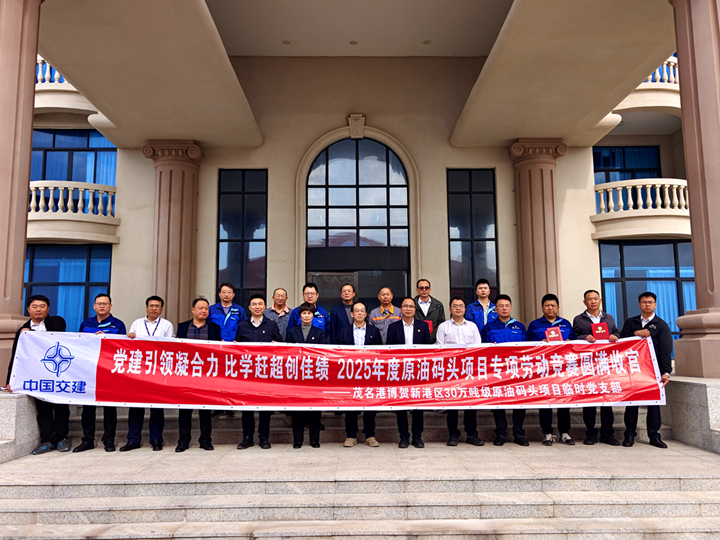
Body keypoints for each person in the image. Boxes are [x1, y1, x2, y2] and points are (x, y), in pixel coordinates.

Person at [7, 295, 68, 455]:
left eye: (42, 306)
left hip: (57, 374)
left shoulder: (57, 322)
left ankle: (62, 438)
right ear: (28, 309)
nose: (38, 309)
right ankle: (47, 440)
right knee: (43, 409)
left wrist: (31, 334)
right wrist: (10, 380)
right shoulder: (22, 330)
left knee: (61, 407)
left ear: (48, 308)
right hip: (37, 377)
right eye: (34, 306)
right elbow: (16, 356)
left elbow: (55, 337)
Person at [74, 293, 126, 453]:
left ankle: (109, 440)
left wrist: (107, 339)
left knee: (109, 408)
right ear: (94, 306)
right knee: (88, 408)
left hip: (109, 372)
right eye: (99, 303)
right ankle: (87, 440)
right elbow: (79, 344)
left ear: (110, 306)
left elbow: (123, 347)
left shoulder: (118, 324)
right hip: (89, 371)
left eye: (105, 303)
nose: (102, 306)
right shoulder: (85, 323)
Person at [620, 292, 672, 449]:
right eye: (644, 302)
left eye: (650, 302)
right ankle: (629, 435)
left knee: (653, 404)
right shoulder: (631, 322)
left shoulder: (661, 325)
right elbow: (622, 342)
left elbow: (665, 350)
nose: (647, 304)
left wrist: (666, 372)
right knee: (631, 403)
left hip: (653, 371)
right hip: (633, 370)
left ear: (655, 304)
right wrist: (636, 333)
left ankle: (654, 436)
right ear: (639, 304)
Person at [123, 295, 175, 452]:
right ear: (146, 308)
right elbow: (130, 345)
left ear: (161, 309)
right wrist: (130, 337)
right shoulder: (137, 323)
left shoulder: (166, 325)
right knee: (136, 406)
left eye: (157, 306)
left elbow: (170, 347)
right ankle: (133, 439)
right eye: (151, 305)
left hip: (158, 370)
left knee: (157, 407)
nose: (154, 308)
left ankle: (156, 439)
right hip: (138, 370)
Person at [572, 289, 621, 446]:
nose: (593, 301)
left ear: (600, 300)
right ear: (584, 302)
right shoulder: (578, 319)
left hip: (605, 365)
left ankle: (608, 434)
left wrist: (615, 336)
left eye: (595, 298)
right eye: (589, 299)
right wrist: (584, 337)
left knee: (607, 401)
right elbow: (572, 337)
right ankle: (591, 434)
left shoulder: (609, 318)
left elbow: (617, 332)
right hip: (587, 365)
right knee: (589, 401)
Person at [527, 293, 576, 447]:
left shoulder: (566, 324)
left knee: (563, 401)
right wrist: (539, 343)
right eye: (547, 305)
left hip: (563, 369)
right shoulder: (534, 325)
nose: (550, 308)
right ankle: (547, 433)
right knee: (545, 401)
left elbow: (576, 343)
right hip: (543, 369)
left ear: (558, 308)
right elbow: (526, 345)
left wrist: (569, 342)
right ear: (542, 308)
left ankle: (564, 433)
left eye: (553, 305)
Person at [480, 294, 529, 446]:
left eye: (507, 305)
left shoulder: (520, 327)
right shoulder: (489, 327)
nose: (504, 308)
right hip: (497, 371)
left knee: (519, 403)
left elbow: (528, 348)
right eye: (501, 306)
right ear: (495, 309)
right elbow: (482, 348)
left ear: (511, 308)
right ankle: (501, 433)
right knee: (498, 403)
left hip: (517, 370)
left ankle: (518, 433)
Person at [235, 294, 283, 450]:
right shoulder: (242, 325)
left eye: (260, 304)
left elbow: (280, 344)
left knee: (265, 407)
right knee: (247, 407)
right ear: (249, 307)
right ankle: (247, 437)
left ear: (265, 307)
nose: (257, 307)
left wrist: (277, 344)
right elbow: (237, 346)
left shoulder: (271, 325)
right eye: (254, 304)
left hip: (265, 373)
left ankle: (264, 438)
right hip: (247, 373)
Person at [175, 297, 222, 452]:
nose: (204, 311)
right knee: (185, 409)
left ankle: (205, 440)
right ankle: (183, 440)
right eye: (201, 308)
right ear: (193, 310)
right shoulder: (182, 327)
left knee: (205, 409)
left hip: (206, 374)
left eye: (206, 308)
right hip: (186, 374)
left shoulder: (214, 328)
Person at [436, 296, 484, 446]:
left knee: (470, 404)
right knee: (452, 405)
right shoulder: (443, 327)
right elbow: (440, 348)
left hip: (469, 371)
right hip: (451, 371)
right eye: (455, 306)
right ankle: (453, 434)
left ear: (465, 309)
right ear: (450, 310)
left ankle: (472, 433)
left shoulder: (472, 327)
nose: (458, 308)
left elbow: (478, 348)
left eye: (461, 305)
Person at [387, 298, 431, 448]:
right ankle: (404, 436)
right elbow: (389, 350)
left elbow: (427, 349)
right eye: (405, 306)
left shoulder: (423, 326)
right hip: (400, 371)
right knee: (401, 405)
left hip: (418, 371)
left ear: (415, 309)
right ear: (400, 309)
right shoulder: (393, 327)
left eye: (411, 306)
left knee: (418, 405)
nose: (408, 309)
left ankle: (417, 436)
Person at [338, 301, 383, 448]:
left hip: (369, 373)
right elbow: (338, 352)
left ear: (366, 314)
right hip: (349, 373)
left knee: (369, 405)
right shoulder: (344, 331)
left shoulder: (373, 331)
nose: (359, 313)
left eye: (362, 310)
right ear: (352, 314)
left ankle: (370, 435)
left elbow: (379, 352)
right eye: (356, 310)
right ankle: (351, 435)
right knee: (350, 405)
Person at [287, 303, 325, 448]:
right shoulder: (292, 331)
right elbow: (287, 351)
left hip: (314, 375)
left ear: (313, 316)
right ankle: (298, 440)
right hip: (296, 375)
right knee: (297, 409)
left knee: (314, 409)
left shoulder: (319, 332)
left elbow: (323, 353)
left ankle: (314, 440)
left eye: (309, 313)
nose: (307, 316)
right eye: (304, 313)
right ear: (300, 315)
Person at [209, 282, 247, 418]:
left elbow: (244, 327)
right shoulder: (211, 309)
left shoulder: (239, 310)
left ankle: (230, 405)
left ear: (233, 295)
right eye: (223, 292)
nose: (226, 294)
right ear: (219, 294)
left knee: (231, 377)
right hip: (215, 349)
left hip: (233, 349)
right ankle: (217, 405)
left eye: (229, 292)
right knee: (216, 377)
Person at [413, 279, 445, 343]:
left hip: (434, 341)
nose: (424, 290)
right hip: (416, 341)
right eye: (421, 288)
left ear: (430, 289)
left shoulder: (438, 305)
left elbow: (441, 324)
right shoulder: (412, 305)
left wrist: (431, 338)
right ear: (417, 290)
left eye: (426, 288)